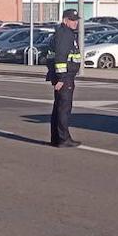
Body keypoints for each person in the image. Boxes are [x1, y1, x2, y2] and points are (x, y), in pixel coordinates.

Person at [45, 8, 83, 147]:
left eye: (76, 20)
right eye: (72, 20)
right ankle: (63, 139)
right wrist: (61, 78)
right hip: (65, 77)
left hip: (64, 76)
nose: (75, 23)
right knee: (64, 108)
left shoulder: (64, 33)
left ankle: (57, 138)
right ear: (65, 20)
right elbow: (60, 57)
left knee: (59, 107)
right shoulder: (65, 34)